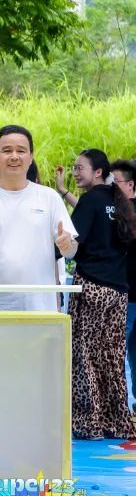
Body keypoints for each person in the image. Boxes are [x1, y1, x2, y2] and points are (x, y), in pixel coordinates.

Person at [0, 125, 77, 311]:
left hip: (40, 308)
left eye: (21, 151)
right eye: (7, 150)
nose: (14, 156)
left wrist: (67, 245)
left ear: (31, 156)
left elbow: (71, 251)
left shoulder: (49, 197)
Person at [65, 149, 136, 440]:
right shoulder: (118, 201)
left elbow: (72, 242)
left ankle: (88, 423)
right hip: (118, 291)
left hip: (92, 287)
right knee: (112, 357)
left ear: (97, 172)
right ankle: (117, 421)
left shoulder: (90, 200)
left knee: (84, 355)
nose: (75, 173)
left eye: (79, 168)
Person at [112, 160, 136, 411]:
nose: (111, 186)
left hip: (128, 295)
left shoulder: (125, 214)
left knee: (118, 351)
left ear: (130, 185)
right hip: (125, 294)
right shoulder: (117, 211)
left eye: (115, 182)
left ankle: (119, 406)